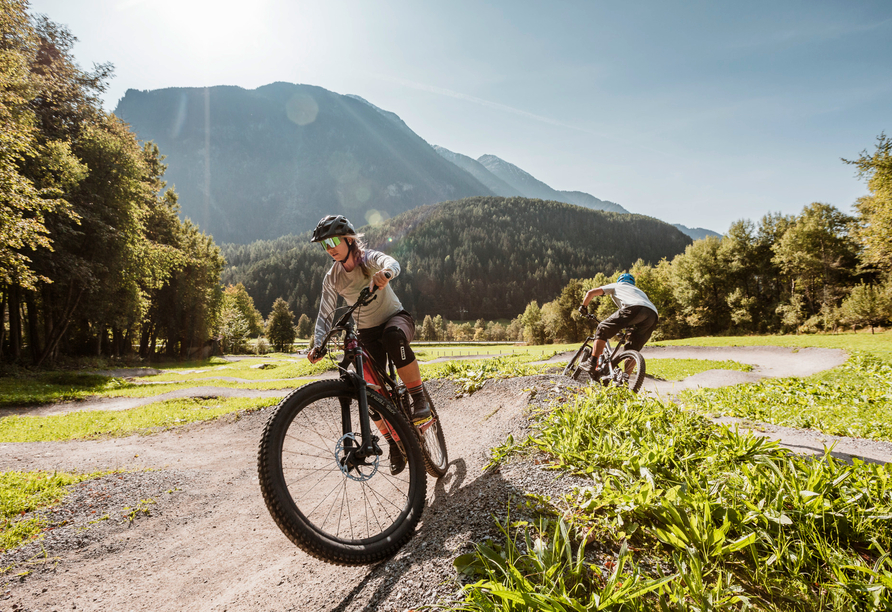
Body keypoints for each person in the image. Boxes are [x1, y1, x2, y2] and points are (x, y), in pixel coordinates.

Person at [306, 214, 430, 474]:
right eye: (324, 245)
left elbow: (390, 262)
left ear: (349, 239)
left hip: (395, 319)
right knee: (368, 389)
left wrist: (385, 274)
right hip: (367, 333)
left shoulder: (367, 259)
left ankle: (419, 399)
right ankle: (393, 444)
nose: (330, 249)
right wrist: (319, 344)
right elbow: (325, 314)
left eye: (334, 241)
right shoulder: (332, 278)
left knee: (393, 337)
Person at [579, 272, 658, 377]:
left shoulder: (617, 285)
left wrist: (584, 307)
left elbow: (591, 293)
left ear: (619, 281)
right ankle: (625, 379)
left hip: (635, 308)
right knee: (631, 348)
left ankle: (592, 363)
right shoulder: (638, 291)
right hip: (652, 315)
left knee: (602, 328)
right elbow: (638, 313)